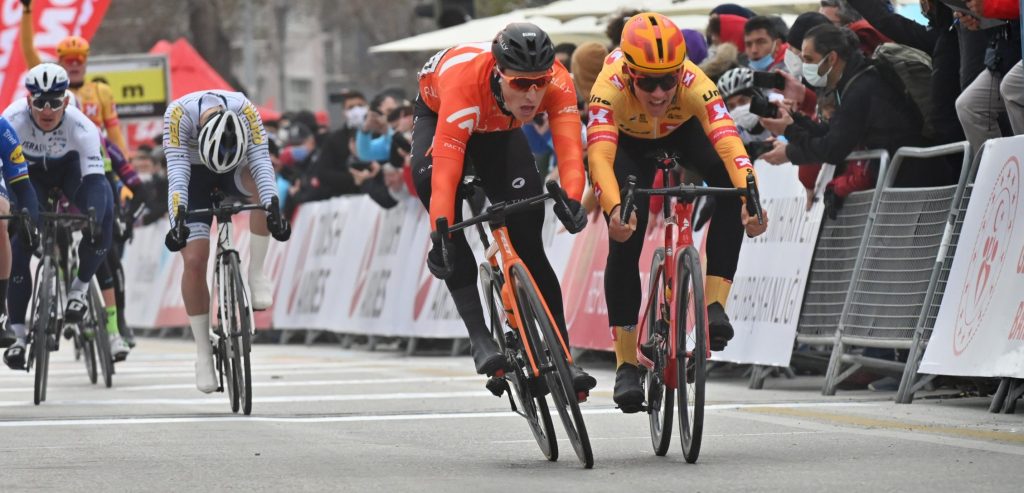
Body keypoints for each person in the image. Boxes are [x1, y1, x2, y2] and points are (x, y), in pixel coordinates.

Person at [587, 13, 769, 412]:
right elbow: (599, 155)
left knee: (728, 183)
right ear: (629, 72)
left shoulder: (694, 84)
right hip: (627, 145)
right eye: (647, 82)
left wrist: (750, 196)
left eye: (667, 80)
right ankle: (626, 364)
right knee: (624, 234)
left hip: (682, 132)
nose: (658, 92)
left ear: (681, 73)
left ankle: (714, 304)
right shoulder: (608, 86)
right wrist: (615, 208)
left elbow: (729, 144)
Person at [412, 23, 596, 392]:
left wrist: (573, 198)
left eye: (538, 82)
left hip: (499, 126)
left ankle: (563, 354)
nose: (532, 94)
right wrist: (440, 235)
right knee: (447, 224)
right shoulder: (464, 88)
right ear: (499, 75)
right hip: (443, 114)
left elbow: (571, 154)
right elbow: (445, 180)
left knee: (529, 241)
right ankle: (479, 337)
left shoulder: (557, 83)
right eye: (520, 83)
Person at [162, 90, 291, 393]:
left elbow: (261, 164)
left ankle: (256, 272)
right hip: (194, 173)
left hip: (235, 164)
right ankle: (203, 354)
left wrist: (273, 209)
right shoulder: (178, 115)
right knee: (194, 260)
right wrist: (177, 221)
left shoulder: (246, 110)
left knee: (260, 195)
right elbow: (177, 175)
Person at [2, 64, 120, 368]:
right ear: (28, 101)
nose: (46, 109)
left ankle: (79, 290)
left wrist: (92, 213)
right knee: (21, 241)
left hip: (70, 172)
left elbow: (94, 180)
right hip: (28, 178)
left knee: (103, 209)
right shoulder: (11, 120)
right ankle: (17, 334)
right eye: (39, 101)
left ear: (66, 101)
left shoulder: (82, 126)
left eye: (54, 101)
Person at [19, 0, 128, 154]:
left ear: (86, 63)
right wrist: (27, 10)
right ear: (60, 62)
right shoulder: (49, 88)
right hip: (58, 156)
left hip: (93, 155)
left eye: (80, 59)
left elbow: (114, 133)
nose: (75, 64)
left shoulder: (101, 91)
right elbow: (28, 50)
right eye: (69, 60)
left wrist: (126, 161)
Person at [0, 114, 39, 349]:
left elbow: (23, 186)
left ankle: (0, 310)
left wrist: (30, 222)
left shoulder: (3, 128)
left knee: (0, 216)